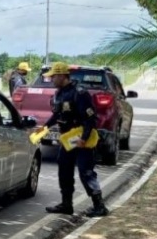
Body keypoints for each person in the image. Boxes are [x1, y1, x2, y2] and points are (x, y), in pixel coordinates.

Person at [41, 61, 109, 217]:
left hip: (82, 139)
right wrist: (44, 127)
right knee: (64, 170)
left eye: (53, 77)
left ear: (61, 75)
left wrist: (84, 139)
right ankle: (66, 204)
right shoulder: (59, 93)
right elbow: (57, 114)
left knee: (86, 172)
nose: (51, 80)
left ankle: (99, 206)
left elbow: (90, 119)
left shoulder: (80, 93)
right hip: (68, 140)